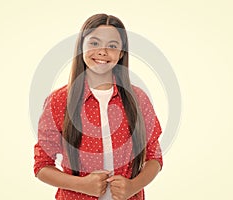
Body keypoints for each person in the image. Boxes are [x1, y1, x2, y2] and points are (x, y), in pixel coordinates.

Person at [33, 13, 163, 200]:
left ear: (121, 53)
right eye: (94, 43)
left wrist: (133, 186)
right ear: (81, 47)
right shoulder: (59, 101)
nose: (103, 51)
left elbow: (154, 157)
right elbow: (42, 166)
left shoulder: (138, 99)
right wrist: (81, 185)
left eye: (112, 46)